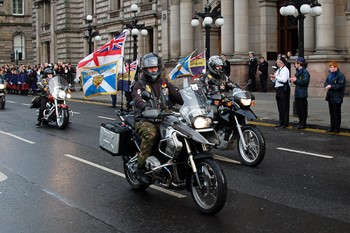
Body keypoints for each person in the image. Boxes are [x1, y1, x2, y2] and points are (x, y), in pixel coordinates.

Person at [132, 52, 183, 184]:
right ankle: (140, 167)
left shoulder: (164, 83)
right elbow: (138, 99)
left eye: (155, 67)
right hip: (144, 120)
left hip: (163, 118)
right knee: (151, 134)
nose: (153, 70)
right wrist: (145, 107)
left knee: (182, 132)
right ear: (146, 69)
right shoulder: (140, 85)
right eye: (150, 68)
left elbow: (178, 96)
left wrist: (184, 97)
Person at [324, 61, 347, 133]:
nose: (330, 68)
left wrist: (331, 86)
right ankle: (332, 127)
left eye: (332, 67)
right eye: (330, 67)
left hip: (337, 97)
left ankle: (337, 128)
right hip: (330, 96)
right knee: (332, 113)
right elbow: (326, 82)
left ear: (335, 67)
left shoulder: (340, 76)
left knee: (337, 113)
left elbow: (340, 86)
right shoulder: (330, 75)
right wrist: (326, 85)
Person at [270, 56, 290, 128]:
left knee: (284, 107)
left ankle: (285, 123)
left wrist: (276, 77)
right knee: (280, 107)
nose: (276, 63)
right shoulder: (278, 70)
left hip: (283, 89)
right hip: (278, 89)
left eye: (278, 61)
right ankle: (281, 122)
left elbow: (284, 80)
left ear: (281, 62)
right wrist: (273, 78)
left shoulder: (285, 70)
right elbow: (276, 80)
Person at [290, 57, 310, 129]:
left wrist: (296, 80)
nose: (295, 64)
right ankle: (300, 122)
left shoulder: (305, 72)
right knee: (298, 109)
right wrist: (294, 80)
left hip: (302, 94)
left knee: (302, 109)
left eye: (296, 63)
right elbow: (297, 82)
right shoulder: (298, 71)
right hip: (298, 93)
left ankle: (303, 124)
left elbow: (305, 82)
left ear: (299, 64)